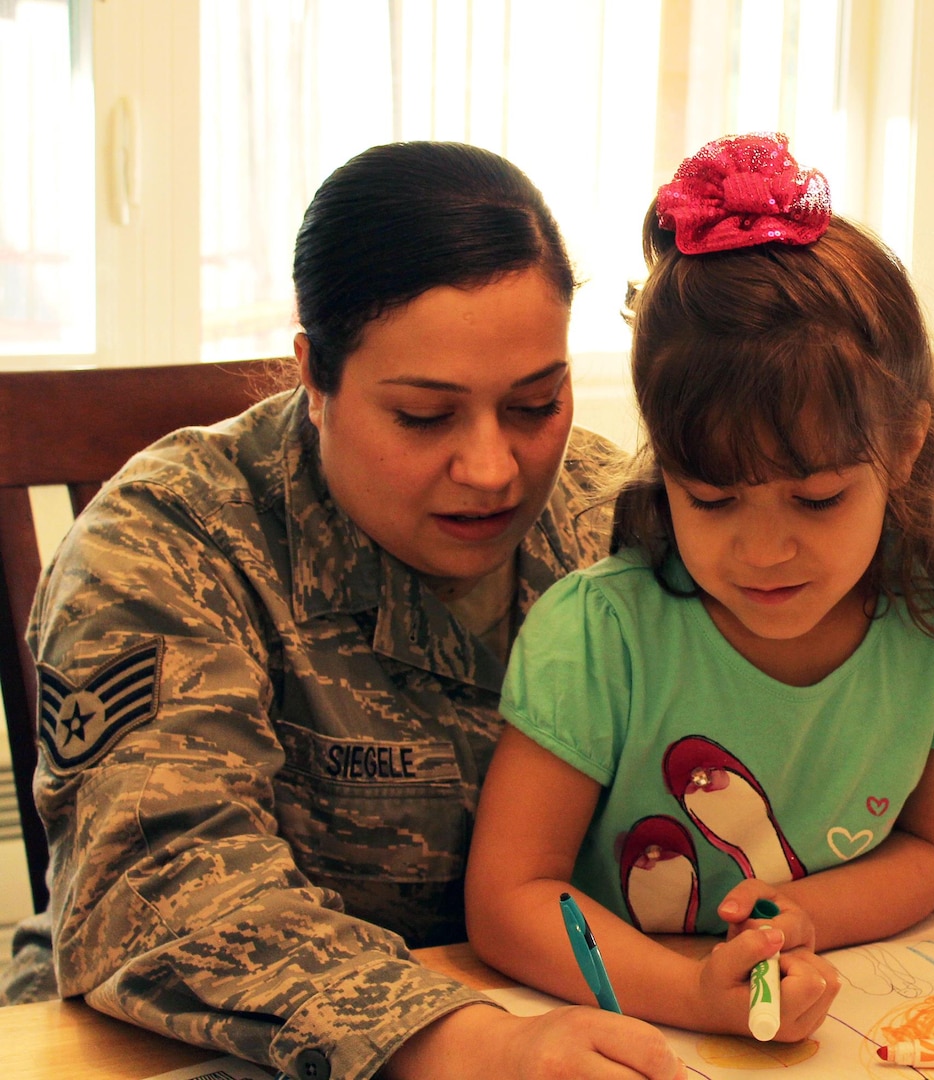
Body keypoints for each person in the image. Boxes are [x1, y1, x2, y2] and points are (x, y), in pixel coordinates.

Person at [8, 141, 686, 1080]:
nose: (492, 469)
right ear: (313, 379)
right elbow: (158, 884)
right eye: (422, 416)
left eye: (535, 403)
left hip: (570, 1023)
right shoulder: (172, 540)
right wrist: (473, 1043)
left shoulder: (613, 521)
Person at [463, 133, 934, 1040]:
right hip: (627, 1025)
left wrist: (809, 917)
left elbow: (931, 847)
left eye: (817, 498)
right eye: (712, 499)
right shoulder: (599, 635)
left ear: (907, 447)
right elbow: (510, 898)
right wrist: (690, 997)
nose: (764, 553)